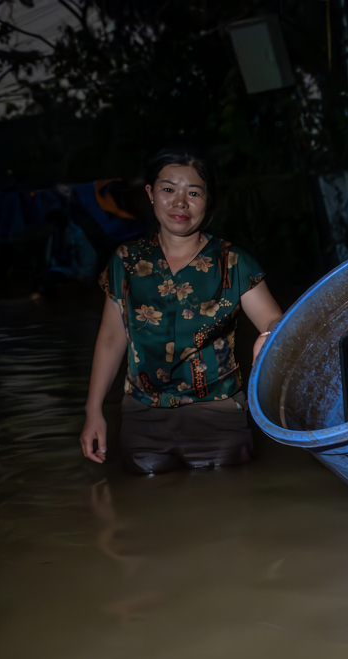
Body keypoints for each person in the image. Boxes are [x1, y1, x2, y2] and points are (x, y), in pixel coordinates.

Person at [79, 146, 284, 474]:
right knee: (147, 507)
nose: (179, 203)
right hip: (143, 416)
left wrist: (271, 337)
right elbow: (110, 340)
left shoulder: (234, 263)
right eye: (168, 190)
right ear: (150, 193)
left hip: (220, 415)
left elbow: (275, 324)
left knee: (228, 509)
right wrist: (93, 411)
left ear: (208, 199)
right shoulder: (126, 262)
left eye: (193, 193)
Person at [31, 208, 98, 301]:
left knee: (46, 280)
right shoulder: (55, 236)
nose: (49, 226)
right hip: (59, 269)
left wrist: (83, 273)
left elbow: (87, 255)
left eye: (51, 224)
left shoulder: (75, 234)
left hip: (71, 271)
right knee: (39, 279)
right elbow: (50, 257)